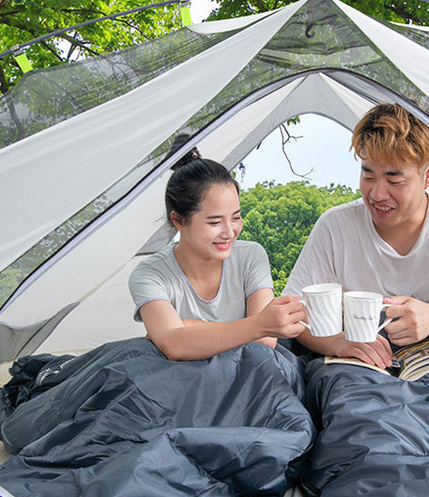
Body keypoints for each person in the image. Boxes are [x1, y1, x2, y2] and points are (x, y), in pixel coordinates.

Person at [283, 103, 429, 369]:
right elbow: (295, 312)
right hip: (361, 369)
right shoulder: (335, 226)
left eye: (394, 181)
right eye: (368, 175)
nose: (377, 195)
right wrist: (338, 343)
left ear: (427, 176)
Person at [129, 148, 306, 360]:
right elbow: (174, 346)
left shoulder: (250, 256)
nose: (230, 232)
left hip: (249, 374)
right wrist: (259, 324)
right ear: (178, 220)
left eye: (235, 217)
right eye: (214, 222)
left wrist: (186, 327)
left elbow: (264, 342)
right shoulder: (149, 274)